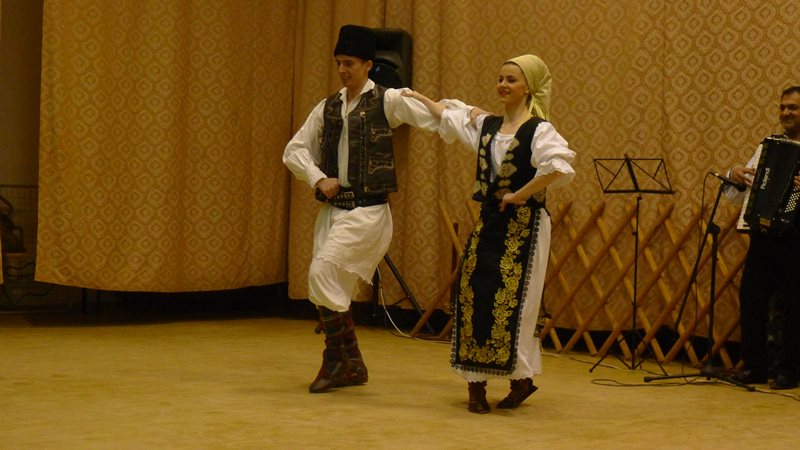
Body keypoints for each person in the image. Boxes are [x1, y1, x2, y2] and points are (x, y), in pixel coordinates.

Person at [403, 54, 575, 413]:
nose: (503, 85)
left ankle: (520, 379)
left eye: (511, 79)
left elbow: (557, 167)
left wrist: (519, 194)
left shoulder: (539, 130)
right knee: (473, 293)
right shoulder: (488, 125)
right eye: (500, 78)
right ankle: (476, 384)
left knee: (517, 304)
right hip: (490, 222)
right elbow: (448, 115)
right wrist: (417, 97)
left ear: (528, 87)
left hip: (525, 226)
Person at [282, 25, 439, 393]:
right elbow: (294, 150)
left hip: (368, 211)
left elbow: (433, 116)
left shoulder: (387, 100)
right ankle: (349, 363)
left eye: (349, 63)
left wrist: (474, 121)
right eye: (338, 62)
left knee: (323, 273)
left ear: (368, 65)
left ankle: (338, 361)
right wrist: (318, 177)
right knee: (325, 284)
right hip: (333, 211)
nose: (342, 70)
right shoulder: (327, 107)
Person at [728, 86, 800, 390]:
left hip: (797, 240)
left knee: (796, 304)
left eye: (793, 107)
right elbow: (742, 190)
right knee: (751, 299)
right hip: (764, 236)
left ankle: (790, 371)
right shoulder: (767, 147)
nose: (785, 113)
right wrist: (734, 174)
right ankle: (754, 366)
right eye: (782, 107)